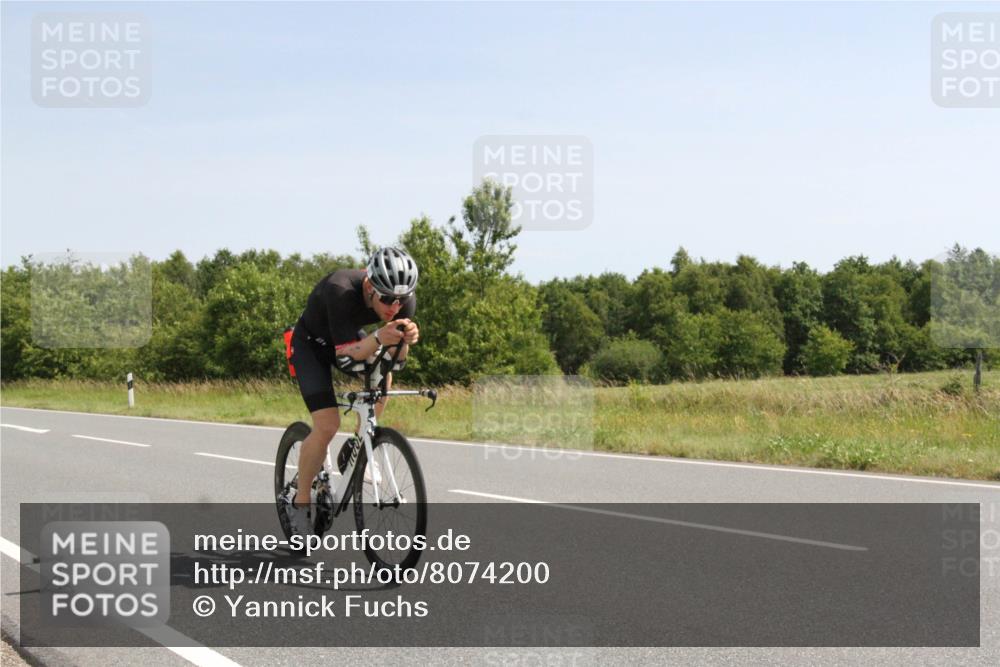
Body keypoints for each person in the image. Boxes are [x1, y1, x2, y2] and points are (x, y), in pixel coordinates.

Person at [285, 246, 420, 537]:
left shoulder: (403, 300)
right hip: (311, 345)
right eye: (386, 298)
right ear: (370, 286)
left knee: (383, 385)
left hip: (346, 340)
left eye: (401, 300)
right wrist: (377, 338)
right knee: (327, 425)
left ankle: (355, 448)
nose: (394, 306)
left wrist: (404, 342)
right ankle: (300, 502)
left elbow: (396, 362)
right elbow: (346, 357)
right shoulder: (340, 290)